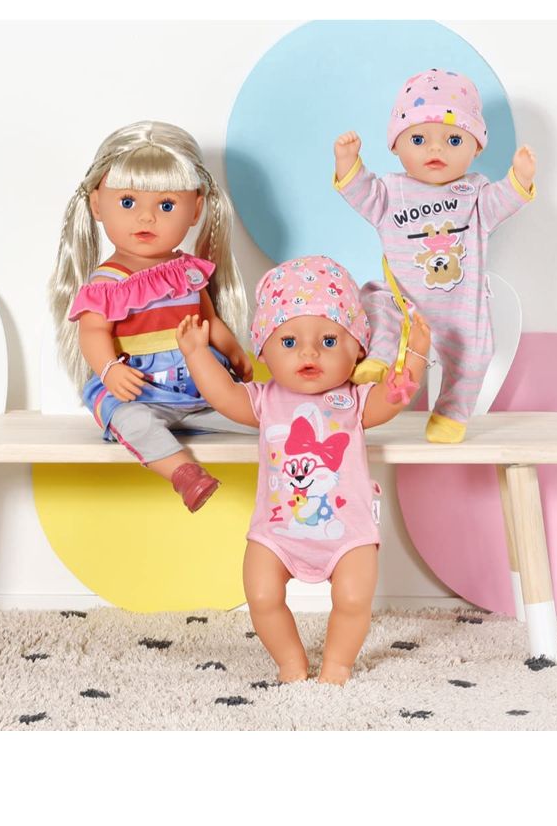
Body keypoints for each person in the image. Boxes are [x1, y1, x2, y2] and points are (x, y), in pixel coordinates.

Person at [176, 255, 431, 685]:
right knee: (261, 594)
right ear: (264, 349)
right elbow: (223, 394)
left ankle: (338, 665)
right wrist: (197, 354)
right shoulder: (264, 399)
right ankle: (290, 663)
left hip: (347, 533)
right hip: (276, 533)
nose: (309, 352)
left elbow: (394, 396)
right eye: (289, 341)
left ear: (358, 348)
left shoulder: (355, 399)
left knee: (354, 599)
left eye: (329, 341)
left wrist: (416, 355)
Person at [48, 121, 253, 512]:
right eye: (128, 202)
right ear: (97, 205)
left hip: (200, 389)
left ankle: (302, 431)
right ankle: (184, 473)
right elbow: (93, 332)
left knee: (254, 409)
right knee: (133, 422)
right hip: (139, 389)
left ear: (196, 209)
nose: (146, 218)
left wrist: (234, 352)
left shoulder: (187, 271)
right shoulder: (108, 282)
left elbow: (208, 320)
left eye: (166, 205)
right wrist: (109, 369)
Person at [334, 68, 536, 443]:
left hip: (462, 308)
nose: (436, 149)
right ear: (395, 146)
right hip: (404, 301)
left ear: (476, 148)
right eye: (419, 138)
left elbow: (502, 202)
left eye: (454, 139)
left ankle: (450, 414)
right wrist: (348, 163)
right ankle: (379, 360)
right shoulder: (391, 192)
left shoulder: (475, 194)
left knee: (475, 354)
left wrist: (518, 180)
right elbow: (360, 192)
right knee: (375, 304)